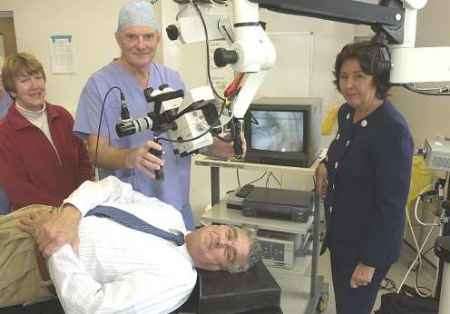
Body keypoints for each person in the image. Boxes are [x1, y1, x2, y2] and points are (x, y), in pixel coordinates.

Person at [74, 0, 236, 231]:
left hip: (175, 206)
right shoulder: (99, 86)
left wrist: (219, 146)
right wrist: (129, 157)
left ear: (158, 38)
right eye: (132, 37)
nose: (141, 45)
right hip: (130, 213)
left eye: (148, 36)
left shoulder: (172, 78)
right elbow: (96, 152)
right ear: (118, 38)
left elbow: (190, 136)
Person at [14, 175, 261, 314]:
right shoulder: (171, 214)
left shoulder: (177, 280)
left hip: (31, 260)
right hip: (46, 214)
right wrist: (69, 215)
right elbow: (113, 187)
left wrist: (57, 244)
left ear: (219, 269)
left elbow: (92, 308)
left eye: (228, 253)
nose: (221, 240)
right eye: (228, 233)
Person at [315, 41, 414, 314]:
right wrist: (325, 165)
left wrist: (370, 262)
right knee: (344, 305)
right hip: (342, 236)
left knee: (353, 309)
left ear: (377, 78)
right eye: (344, 77)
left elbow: (391, 205)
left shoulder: (393, 130)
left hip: (367, 246)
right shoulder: (348, 113)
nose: (349, 85)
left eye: (359, 76)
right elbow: (340, 150)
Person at [0, 52, 93, 211]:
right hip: (37, 217)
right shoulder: (5, 132)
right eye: (25, 80)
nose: (35, 85)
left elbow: (83, 162)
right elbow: (18, 190)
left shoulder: (62, 116)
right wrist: (60, 209)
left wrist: (78, 203)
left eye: (38, 77)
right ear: (12, 91)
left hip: (77, 209)